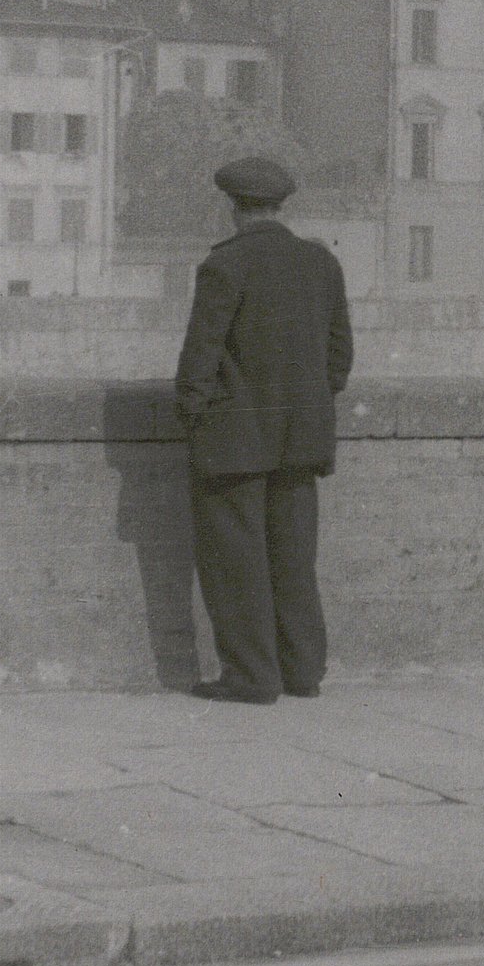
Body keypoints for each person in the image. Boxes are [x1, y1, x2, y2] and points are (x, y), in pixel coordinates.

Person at [172, 155, 352, 704]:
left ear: (233, 208)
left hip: (235, 440)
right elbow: (339, 358)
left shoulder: (224, 267)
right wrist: (308, 406)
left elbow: (197, 363)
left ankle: (252, 676)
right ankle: (302, 672)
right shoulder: (320, 263)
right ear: (279, 206)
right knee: (295, 558)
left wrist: (199, 419)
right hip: (301, 438)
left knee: (236, 562)